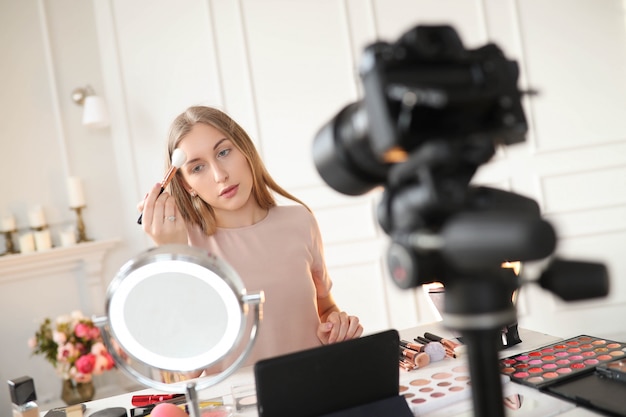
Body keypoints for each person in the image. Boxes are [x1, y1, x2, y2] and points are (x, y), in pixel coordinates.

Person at [138, 105, 363, 374]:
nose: (220, 175)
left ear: (245, 150)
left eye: (223, 152)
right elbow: (189, 370)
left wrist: (336, 324)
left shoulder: (300, 221)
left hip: (315, 386)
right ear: (186, 184)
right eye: (198, 167)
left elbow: (324, 307)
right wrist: (172, 253)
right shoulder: (182, 244)